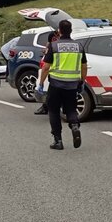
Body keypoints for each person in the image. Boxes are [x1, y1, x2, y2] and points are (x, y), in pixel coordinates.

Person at [38, 20, 87, 150]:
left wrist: (41, 83)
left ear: (59, 31)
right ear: (71, 31)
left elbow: (46, 67)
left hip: (56, 84)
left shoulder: (54, 46)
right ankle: (75, 126)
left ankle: (58, 141)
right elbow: (84, 66)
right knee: (71, 109)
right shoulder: (79, 46)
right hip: (72, 85)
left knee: (53, 111)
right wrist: (82, 80)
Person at [34, 30, 61, 115]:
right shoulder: (52, 47)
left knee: (51, 94)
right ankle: (46, 107)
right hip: (52, 73)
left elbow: (46, 66)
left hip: (54, 74)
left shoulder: (53, 47)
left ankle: (47, 108)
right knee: (50, 93)